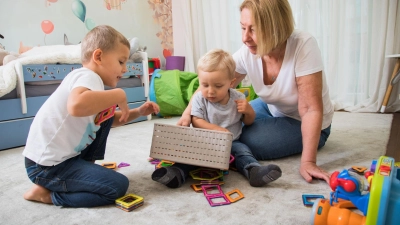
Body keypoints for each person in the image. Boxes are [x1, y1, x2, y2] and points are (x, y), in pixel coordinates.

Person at [178, 0, 334, 184]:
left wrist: (308, 162)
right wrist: (188, 113)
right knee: (232, 123)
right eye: (243, 28)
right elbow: (215, 81)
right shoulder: (247, 51)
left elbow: (310, 109)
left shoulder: (303, 45)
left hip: (302, 120)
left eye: (253, 29)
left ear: (276, 27)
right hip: (271, 107)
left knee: (244, 140)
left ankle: (246, 164)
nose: (245, 38)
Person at [22, 25, 160, 207]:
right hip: (46, 167)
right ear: (98, 56)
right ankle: (47, 196)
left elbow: (107, 120)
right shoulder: (88, 76)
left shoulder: (90, 84)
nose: (125, 69)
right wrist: (119, 94)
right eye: (121, 62)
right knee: (117, 186)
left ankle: (85, 166)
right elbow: (75, 106)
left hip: (53, 160)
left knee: (105, 115)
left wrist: (139, 112)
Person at [152, 49, 282, 188]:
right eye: (205, 85)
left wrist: (249, 112)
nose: (210, 91)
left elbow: (248, 122)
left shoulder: (238, 98)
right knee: (190, 155)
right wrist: (217, 129)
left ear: (231, 83)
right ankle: (176, 173)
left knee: (243, 152)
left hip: (232, 142)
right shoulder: (199, 98)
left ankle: (253, 170)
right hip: (204, 142)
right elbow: (196, 121)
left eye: (218, 86)